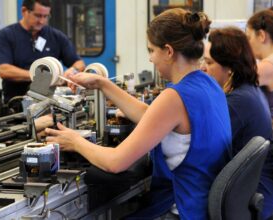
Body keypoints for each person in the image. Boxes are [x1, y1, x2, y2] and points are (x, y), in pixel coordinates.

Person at [45, 8, 232, 219]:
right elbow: (151, 116)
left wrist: (75, 141)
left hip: (182, 210)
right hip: (201, 204)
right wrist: (102, 84)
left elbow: (115, 162)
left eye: (152, 50)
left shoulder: (175, 96)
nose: (151, 58)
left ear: (169, 51)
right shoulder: (207, 83)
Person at [201, 26, 273, 220]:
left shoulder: (237, 102)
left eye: (209, 62)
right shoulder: (248, 90)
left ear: (229, 68)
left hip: (248, 197)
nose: (203, 67)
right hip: (257, 190)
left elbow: (203, 148)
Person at [0, 0, 85, 103]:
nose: (41, 21)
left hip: (49, 102)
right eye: (38, 16)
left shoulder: (56, 36)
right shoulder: (6, 35)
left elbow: (79, 63)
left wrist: (72, 71)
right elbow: (4, 70)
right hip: (16, 102)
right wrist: (40, 76)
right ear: (24, 11)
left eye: (45, 16)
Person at [246, 9, 273, 161]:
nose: (248, 44)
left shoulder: (267, 66)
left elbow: (235, 86)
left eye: (248, 37)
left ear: (261, 35)